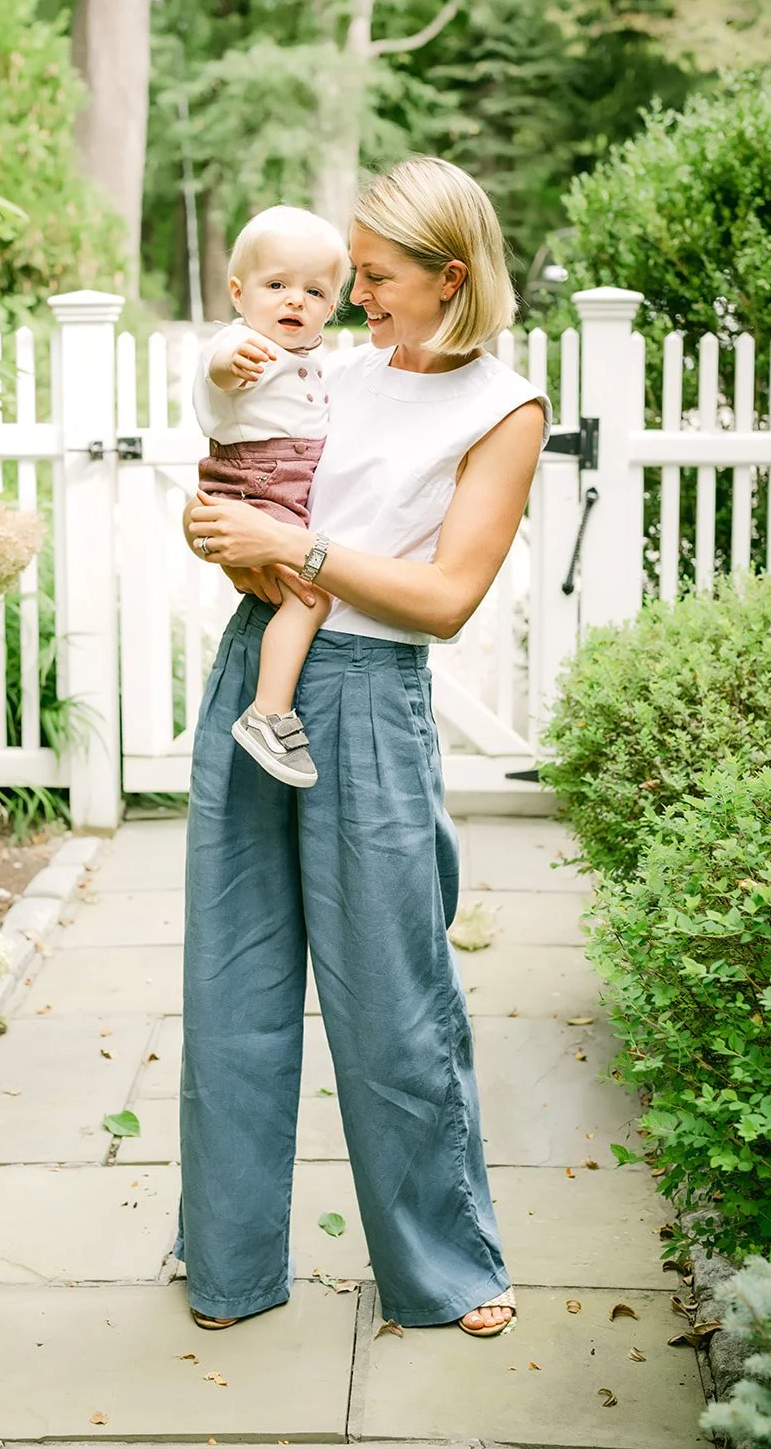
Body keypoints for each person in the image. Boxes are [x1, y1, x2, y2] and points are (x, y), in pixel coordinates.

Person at [177, 156, 552, 1339]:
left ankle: (441, 1269)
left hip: (369, 700)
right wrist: (221, 535)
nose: (352, 298)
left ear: (449, 277)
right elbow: (251, 492)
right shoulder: (330, 372)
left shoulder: (503, 408)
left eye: (376, 278)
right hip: (257, 666)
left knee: (392, 998)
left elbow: (443, 598)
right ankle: (228, 1261)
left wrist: (294, 545)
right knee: (230, 981)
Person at [193, 206, 348, 788]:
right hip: (255, 485)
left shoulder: (314, 360)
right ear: (239, 292)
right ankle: (268, 714)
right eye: (276, 285)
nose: (295, 301)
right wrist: (230, 363)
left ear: (331, 308)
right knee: (310, 599)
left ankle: (271, 708)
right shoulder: (241, 344)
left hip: (279, 490)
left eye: (314, 291)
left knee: (301, 595)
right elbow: (220, 371)